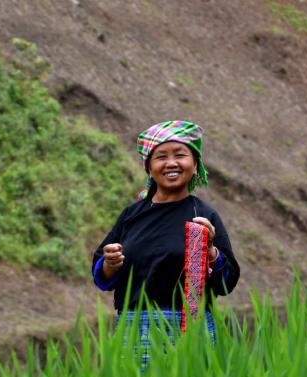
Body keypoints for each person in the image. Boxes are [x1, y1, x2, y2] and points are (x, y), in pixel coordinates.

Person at [91, 120, 240, 364]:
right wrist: (110, 262)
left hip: (190, 327)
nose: (171, 163)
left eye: (180, 155)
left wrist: (211, 251)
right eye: (161, 157)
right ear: (149, 168)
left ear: (195, 164)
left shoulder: (202, 217)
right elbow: (102, 275)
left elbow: (227, 282)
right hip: (133, 327)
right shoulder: (132, 215)